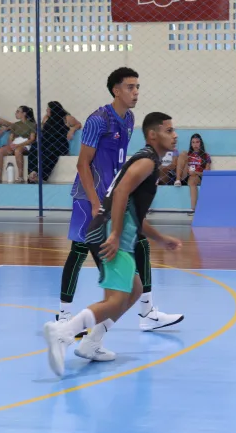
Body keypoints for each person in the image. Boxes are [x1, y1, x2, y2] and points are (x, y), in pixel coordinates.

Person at [43, 112, 184, 376]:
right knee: (116, 300)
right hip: (108, 233)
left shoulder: (146, 161)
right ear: (153, 135)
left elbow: (134, 215)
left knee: (134, 290)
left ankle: (91, 344)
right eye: (168, 130)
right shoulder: (146, 163)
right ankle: (63, 332)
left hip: (105, 230)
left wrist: (161, 239)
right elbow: (118, 193)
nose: (174, 134)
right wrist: (116, 233)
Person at [59, 67, 182, 348]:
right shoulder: (97, 120)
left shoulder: (128, 119)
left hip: (113, 197)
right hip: (89, 195)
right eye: (130, 87)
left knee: (141, 244)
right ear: (116, 90)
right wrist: (93, 202)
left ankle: (147, 310)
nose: (136, 91)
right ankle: (64, 316)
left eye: (137, 86)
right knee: (79, 251)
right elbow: (82, 164)